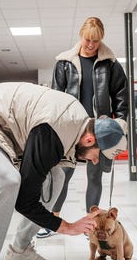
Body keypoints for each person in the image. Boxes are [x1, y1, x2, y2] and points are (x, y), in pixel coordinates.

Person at [0, 81, 127, 260]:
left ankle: (19, 251)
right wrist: (66, 226)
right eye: (97, 156)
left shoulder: (78, 125)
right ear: (90, 139)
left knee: (57, 177)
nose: (93, 162)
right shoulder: (52, 133)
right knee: (8, 181)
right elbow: (25, 201)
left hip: (8, 125)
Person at [37, 16, 128, 238]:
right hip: (71, 131)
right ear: (81, 36)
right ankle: (53, 220)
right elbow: (55, 98)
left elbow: (122, 98)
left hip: (99, 132)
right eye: (87, 39)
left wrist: (120, 124)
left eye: (95, 41)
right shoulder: (65, 62)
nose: (90, 45)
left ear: (101, 39)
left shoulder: (111, 64)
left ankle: (91, 224)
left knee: (95, 177)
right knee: (62, 175)